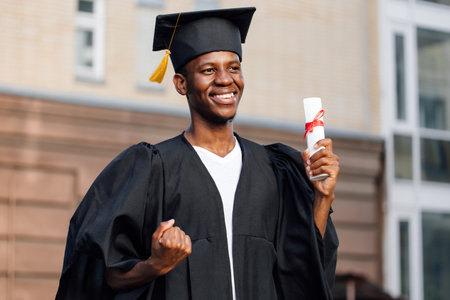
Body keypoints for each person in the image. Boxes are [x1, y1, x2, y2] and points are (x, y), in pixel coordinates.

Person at [56, 7, 339, 300]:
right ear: (181, 83)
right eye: (208, 70)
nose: (225, 79)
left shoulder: (274, 169)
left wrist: (322, 197)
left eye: (233, 67)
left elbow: (301, 271)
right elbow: (103, 272)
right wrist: (155, 265)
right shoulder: (153, 169)